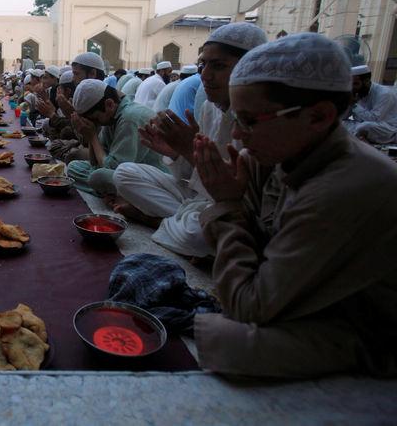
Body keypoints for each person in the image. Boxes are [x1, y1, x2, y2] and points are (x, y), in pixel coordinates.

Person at [193, 32, 397, 378]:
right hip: (297, 297)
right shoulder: (270, 156)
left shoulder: (347, 185)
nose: (238, 135)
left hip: (360, 328)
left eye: (250, 121)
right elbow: (257, 245)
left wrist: (227, 204)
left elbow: (247, 305)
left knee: (227, 338)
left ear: (318, 116)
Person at [111, 22, 267, 258]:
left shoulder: (265, 119)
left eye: (218, 66)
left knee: (197, 233)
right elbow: (189, 180)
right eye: (203, 65)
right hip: (199, 198)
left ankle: (153, 220)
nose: (205, 74)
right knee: (123, 173)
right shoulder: (207, 108)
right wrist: (177, 152)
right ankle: (180, 223)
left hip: (232, 206)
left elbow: (241, 198)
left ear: (249, 69)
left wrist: (188, 152)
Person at [66, 79, 167, 196]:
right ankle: (110, 193)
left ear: (109, 104)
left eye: (96, 119)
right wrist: (90, 136)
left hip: (151, 180)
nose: (95, 124)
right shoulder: (113, 116)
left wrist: (93, 136)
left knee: (98, 177)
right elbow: (96, 163)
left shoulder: (130, 118)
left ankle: (118, 195)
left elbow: (113, 169)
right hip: (122, 173)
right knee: (73, 167)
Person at [343, 65, 397, 143]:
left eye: (355, 84)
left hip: (387, 128)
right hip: (360, 124)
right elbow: (344, 117)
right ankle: (360, 138)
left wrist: (354, 105)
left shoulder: (384, 94)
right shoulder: (357, 92)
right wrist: (348, 104)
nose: (353, 87)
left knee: (365, 126)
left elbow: (374, 119)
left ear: (366, 81)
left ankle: (357, 139)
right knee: (341, 123)